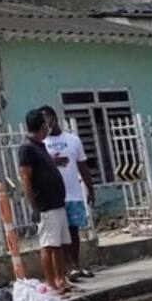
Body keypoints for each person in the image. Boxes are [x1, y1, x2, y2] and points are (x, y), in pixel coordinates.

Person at [17, 108, 70, 294]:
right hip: (45, 205)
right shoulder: (27, 148)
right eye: (45, 125)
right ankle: (52, 283)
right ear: (41, 127)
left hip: (57, 202)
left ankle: (62, 279)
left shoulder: (39, 146)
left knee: (60, 245)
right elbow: (26, 178)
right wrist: (34, 207)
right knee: (48, 245)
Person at [40, 105, 95, 282]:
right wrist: (52, 162)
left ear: (54, 118)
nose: (46, 124)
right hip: (54, 196)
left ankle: (75, 265)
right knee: (59, 236)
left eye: (47, 119)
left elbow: (82, 166)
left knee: (74, 231)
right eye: (42, 121)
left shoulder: (73, 140)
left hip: (73, 192)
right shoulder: (41, 145)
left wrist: (90, 188)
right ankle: (64, 270)